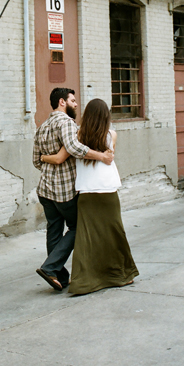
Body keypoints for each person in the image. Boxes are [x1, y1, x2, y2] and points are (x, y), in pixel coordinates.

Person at [40, 98, 139, 295]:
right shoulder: (112, 135)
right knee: (114, 234)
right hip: (108, 192)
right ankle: (120, 275)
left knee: (88, 239)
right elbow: (109, 157)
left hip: (86, 193)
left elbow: (60, 158)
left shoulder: (77, 137)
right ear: (105, 116)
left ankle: (85, 281)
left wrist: (42, 157)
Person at [32, 87, 114, 291]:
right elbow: (75, 148)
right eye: (73, 101)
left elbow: (36, 161)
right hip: (64, 190)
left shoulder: (41, 127)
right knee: (79, 227)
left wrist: (48, 160)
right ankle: (50, 267)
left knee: (54, 232)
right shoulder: (66, 123)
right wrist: (102, 156)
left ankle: (58, 276)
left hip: (44, 190)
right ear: (62, 102)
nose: (76, 105)